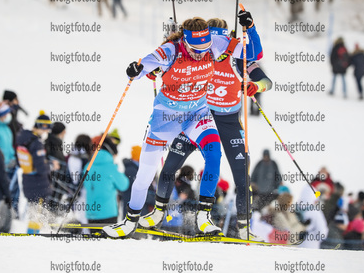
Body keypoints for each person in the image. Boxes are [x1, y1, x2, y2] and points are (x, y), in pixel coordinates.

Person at [103, 13, 264, 238]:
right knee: (146, 174)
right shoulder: (170, 50)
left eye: (206, 48)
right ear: (185, 42)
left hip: (197, 114)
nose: (202, 53)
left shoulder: (215, 43)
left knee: (214, 152)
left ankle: (203, 215)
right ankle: (130, 220)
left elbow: (254, 54)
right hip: (166, 118)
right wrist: (136, 70)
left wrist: (251, 27)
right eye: (196, 49)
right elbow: (145, 65)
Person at [16, 112, 52, 233]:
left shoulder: (23, 139)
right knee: (37, 215)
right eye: (46, 130)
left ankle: (31, 236)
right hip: (39, 185)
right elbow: (41, 168)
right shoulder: (36, 143)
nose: (46, 133)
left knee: (33, 212)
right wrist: (50, 165)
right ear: (42, 127)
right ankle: (32, 238)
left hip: (28, 181)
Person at [84, 136, 129, 224]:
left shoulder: (88, 166)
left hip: (91, 213)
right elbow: (124, 185)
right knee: (107, 238)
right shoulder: (111, 168)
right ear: (112, 154)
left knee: (94, 237)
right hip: (108, 213)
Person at [121, 145, 156, 217]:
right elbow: (138, 191)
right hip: (136, 211)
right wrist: (153, 200)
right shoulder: (132, 170)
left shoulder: (134, 169)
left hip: (136, 209)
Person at [67, 134, 92, 224]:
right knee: (82, 212)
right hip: (81, 189)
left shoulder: (72, 154)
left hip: (71, 188)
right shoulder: (83, 157)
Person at [45, 122, 68, 213]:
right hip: (54, 182)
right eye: (64, 131)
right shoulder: (54, 143)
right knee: (51, 203)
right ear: (60, 132)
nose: (65, 133)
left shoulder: (52, 142)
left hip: (53, 183)